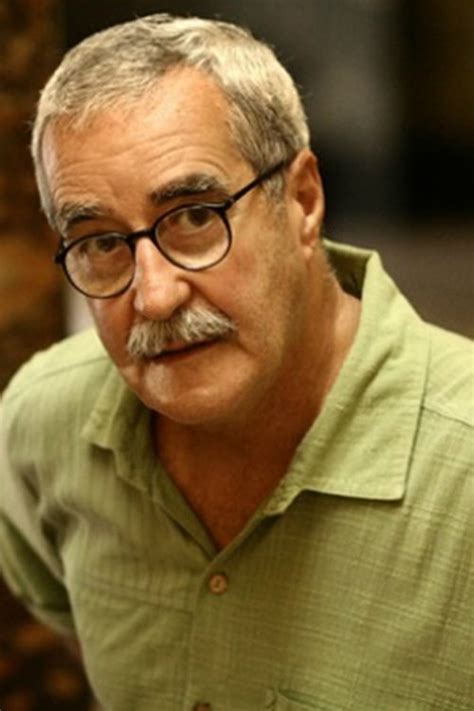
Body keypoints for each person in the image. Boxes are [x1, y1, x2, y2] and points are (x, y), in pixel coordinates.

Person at [0, 13, 472, 711]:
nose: (154, 296)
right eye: (100, 242)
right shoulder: (43, 425)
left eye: (195, 217)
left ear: (303, 200)